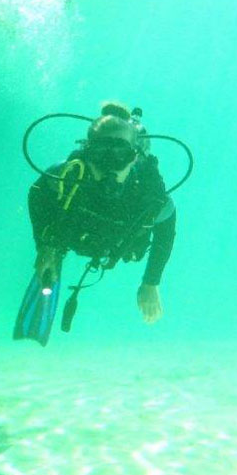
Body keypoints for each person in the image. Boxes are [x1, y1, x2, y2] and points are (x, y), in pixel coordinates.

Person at [14, 102, 177, 345]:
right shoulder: (67, 177)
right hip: (76, 233)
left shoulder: (148, 193)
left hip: (117, 242)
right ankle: (54, 262)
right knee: (55, 248)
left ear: (134, 158)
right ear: (87, 154)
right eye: (99, 156)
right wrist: (45, 246)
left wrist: (151, 281)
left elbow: (167, 226)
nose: (109, 167)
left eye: (120, 156)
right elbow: (37, 191)